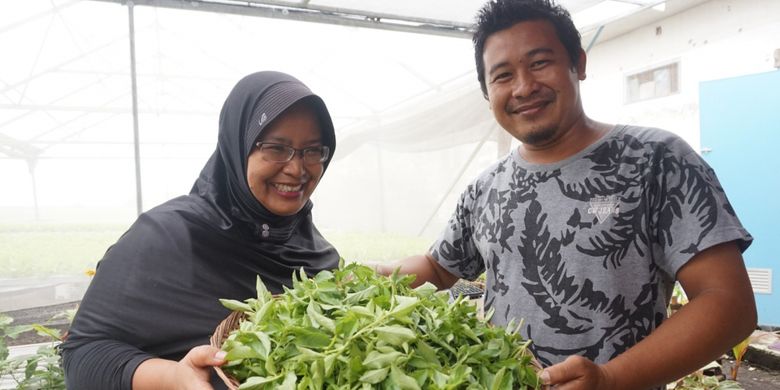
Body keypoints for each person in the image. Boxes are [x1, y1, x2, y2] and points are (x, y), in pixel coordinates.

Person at [376, 1, 757, 389]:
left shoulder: (655, 159)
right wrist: (365, 277)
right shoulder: (485, 187)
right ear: (487, 92)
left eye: (539, 63)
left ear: (579, 63)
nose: (524, 87)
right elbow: (439, 267)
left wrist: (609, 378)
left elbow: (729, 303)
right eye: (503, 75)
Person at [60, 71, 340, 390]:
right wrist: (175, 377)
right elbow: (83, 357)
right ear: (237, 147)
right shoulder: (167, 237)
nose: (297, 168)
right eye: (277, 148)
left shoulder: (316, 253)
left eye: (313, 150)